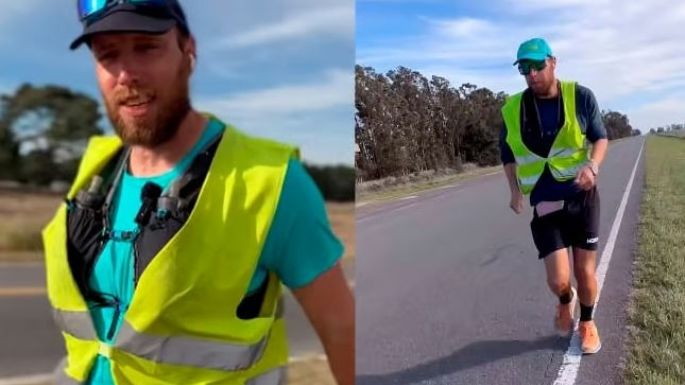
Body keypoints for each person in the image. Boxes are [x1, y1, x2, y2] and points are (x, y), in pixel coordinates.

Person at [41, 1, 354, 384]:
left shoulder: (269, 182)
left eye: (146, 47)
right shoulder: (94, 171)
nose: (126, 74)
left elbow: (341, 328)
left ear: (188, 49)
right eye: (108, 54)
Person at [500, 38, 608, 354]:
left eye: (537, 66)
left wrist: (593, 166)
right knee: (559, 280)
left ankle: (587, 323)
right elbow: (507, 153)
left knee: (585, 272)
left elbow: (601, 139)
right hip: (545, 205)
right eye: (524, 69)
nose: (532, 74)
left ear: (553, 62)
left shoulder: (581, 96)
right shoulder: (512, 109)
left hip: (581, 199)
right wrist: (514, 191)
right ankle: (565, 301)